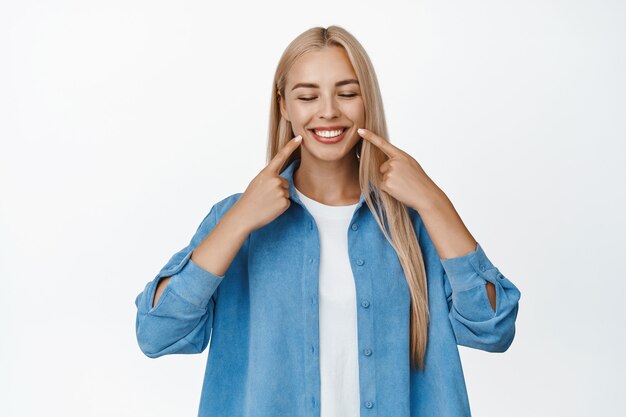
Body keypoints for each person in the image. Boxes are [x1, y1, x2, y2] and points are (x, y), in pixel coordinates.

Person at [134, 25, 521, 417]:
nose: (329, 111)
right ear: (284, 105)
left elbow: (492, 328)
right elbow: (156, 333)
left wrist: (434, 202)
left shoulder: (414, 222)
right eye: (307, 96)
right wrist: (238, 222)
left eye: (348, 93)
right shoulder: (236, 220)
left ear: (367, 101)